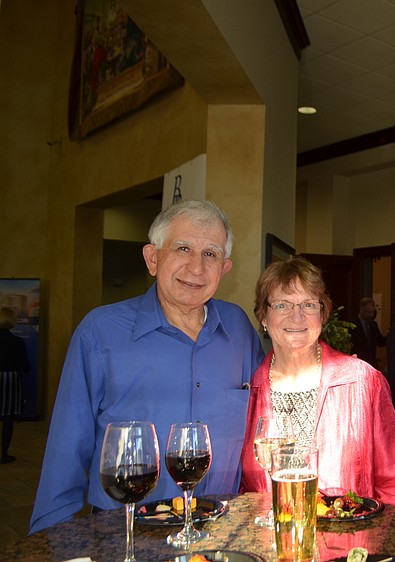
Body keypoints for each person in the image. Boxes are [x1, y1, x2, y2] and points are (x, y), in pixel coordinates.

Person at [30, 200, 265, 534]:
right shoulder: (101, 332)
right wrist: (51, 541)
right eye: (183, 248)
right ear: (153, 259)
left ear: (224, 268)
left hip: (220, 531)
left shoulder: (239, 329)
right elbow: (66, 450)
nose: (196, 268)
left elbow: (265, 417)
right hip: (126, 532)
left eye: (210, 254)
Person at [239, 257, 395, 510]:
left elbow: (392, 488)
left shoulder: (363, 382)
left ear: (323, 314)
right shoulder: (247, 390)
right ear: (263, 316)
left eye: (308, 305)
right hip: (269, 543)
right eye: (282, 305)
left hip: (349, 542)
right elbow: (245, 490)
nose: (296, 316)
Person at [0, 307, 30, 464]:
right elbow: (26, 366)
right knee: (8, 418)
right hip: (10, 381)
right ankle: (4, 454)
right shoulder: (17, 342)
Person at [351, 296, 386, 368]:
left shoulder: (373, 325)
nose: (371, 315)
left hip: (371, 363)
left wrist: (390, 335)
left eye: (373, 312)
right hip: (358, 364)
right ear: (361, 309)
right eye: (369, 312)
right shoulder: (353, 325)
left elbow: (380, 342)